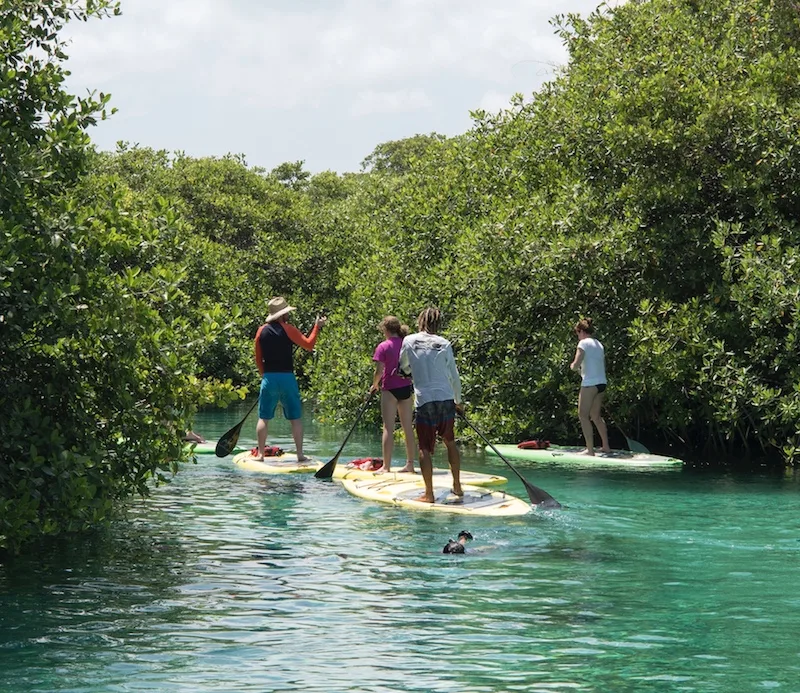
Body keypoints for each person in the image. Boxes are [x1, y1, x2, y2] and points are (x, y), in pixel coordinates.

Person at [398, 307, 463, 503]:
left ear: (420, 321)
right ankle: (457, 487)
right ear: (438, 324)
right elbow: (454, 376)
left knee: (424, 448)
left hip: (425, 400)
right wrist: (458, 402)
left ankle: (429, 493)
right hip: (445, 398)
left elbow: (403, 366)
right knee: (450, 441)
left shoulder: (408, 341)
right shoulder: (444, 343)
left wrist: (412, 369)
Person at [254, 296, 326, 462]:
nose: (288, 316)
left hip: (269, 378)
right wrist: (317, 327)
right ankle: (300, 454)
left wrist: (264, 375)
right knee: (295, 418)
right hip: (287, 377)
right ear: (282, 315)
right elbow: (309, 345)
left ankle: (261, 455)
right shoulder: (288, 329)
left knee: (263, 417)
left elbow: (258, 357)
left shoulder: (261, 331)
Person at [369, 316, 416, 474]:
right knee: (407, 427)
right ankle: (410, 464)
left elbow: (379, 371)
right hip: (406, 387)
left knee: (388, 427)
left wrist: (374, 385)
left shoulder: (383, 346)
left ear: (385, 330)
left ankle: (386, 467)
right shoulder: (407, 344)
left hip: (389, 388)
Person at [569, 317, 611, 456]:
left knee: (583, 416)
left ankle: (590, 450)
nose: (578, 336)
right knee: (596, 416)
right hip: (601, 383)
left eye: (577, 333)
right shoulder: (599, 344)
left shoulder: (583, 344)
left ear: (581, 331)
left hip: (590, 384)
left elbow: (576, 363)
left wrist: (573, 367)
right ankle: (606, 446)